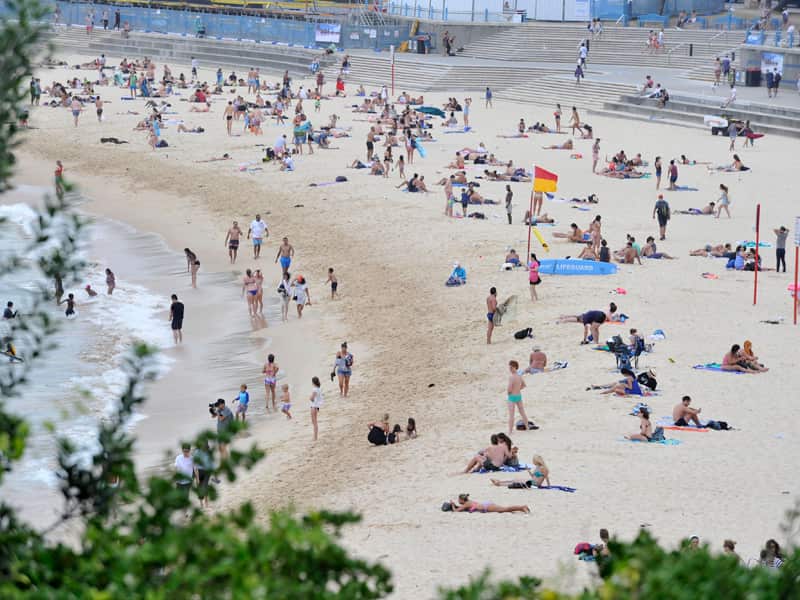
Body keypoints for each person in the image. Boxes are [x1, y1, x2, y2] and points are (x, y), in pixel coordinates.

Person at [507, 360, 531, 436]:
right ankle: (527, 427)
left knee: (511, 414)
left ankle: (510, 431)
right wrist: (518, 389)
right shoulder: (519, 376)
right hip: (518, 395)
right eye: (510, 367)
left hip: (512, 396)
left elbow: (509, 388)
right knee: (522, 412)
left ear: (514, 368)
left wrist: (509, 392)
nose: (510, 369)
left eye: (511, 367)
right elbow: (524, 385)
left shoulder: (511, 377)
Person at [449, 493, 529, 514]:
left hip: (486, 506)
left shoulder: (466, 504)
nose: (458, 501)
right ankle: (521, 508)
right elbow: (462, 508)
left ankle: (522, 507)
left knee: (505, 509)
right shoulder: (468, 502)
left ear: (462, 500)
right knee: (505, 509)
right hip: (486, 504)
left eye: (458, 499)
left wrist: (452, 505)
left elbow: (456, 511)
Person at [309, 376, 323, 441]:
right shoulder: (319, 388)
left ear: (313, 382)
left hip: (313, 406)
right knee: (315, 422)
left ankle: (315, 437)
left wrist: (309, 398)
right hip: (316, 406)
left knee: (314, 422)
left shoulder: (314, 389)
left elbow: (312, 398)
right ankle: (315, 436)